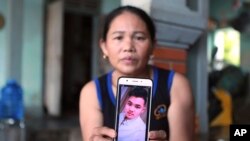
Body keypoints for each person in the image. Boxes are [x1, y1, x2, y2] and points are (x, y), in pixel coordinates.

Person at [79, 5, 195, 141]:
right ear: (104, 47)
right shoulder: (91, 92)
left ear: (153, 45)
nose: (128, 47)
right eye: (118, 37)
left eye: (139, 38)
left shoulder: (176, 85)